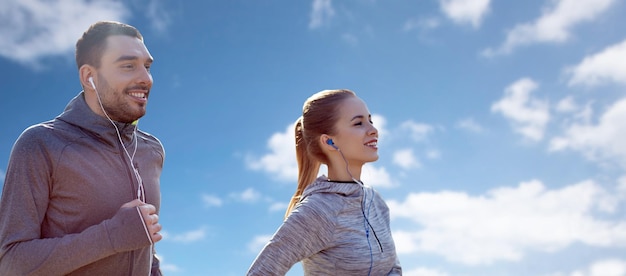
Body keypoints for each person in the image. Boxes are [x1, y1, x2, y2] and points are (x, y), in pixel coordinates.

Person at [0, 21, 164, 275]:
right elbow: (10, 263)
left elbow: (144, 248)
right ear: (90, 77)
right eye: (128, 66)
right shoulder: (41, 144)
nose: (145, 79)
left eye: (147, 66)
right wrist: (111, 236)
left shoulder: (151, 150)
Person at [247, 89, 402, 275]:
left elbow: (393, 267)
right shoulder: (319, 209)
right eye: (359, 123)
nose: (373, 130)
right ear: (329, 142)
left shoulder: (375, 202)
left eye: (370, 120)